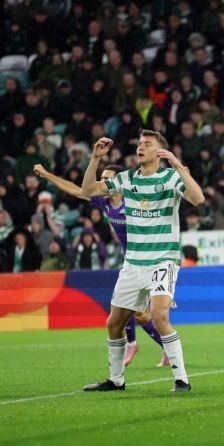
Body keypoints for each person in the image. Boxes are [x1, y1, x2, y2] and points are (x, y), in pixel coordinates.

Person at [80, 132, 205, 393]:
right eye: (139, 143)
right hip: (134, 263)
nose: (140, 147)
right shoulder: (126, 179)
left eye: (147, 144)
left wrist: (176, 164)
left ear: (160, 151)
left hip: (163, 260)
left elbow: (198, 198)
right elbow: (88, 190)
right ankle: (116, 380)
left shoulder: (171, 178)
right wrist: (95, 158)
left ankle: (182, 379)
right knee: (114, 324)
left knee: (159, 316)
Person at [33, 164, 167, 368]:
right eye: (101, 178)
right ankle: (146, 346)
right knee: (133, 310)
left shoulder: (134, 198)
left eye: (106, 179)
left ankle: (146, 346)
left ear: (118, 181)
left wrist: (180, 175)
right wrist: (48, 175)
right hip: (131, 261)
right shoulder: (103, 201)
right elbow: (75, 189)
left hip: (150, 259)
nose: (102, 182)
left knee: (141, 312)